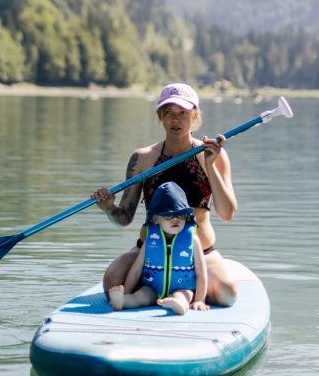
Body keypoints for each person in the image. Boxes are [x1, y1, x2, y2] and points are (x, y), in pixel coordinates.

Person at [92, 82, 238, 306]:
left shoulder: (212, 154)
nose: (175, 119)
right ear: (160, 116)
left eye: (183, 113)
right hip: (150, 253)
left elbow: (227, 213)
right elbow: (124, 218)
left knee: (228, 294)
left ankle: (181, 290)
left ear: (195, 116)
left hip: (200, 254)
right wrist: (110, 208)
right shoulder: (142, 159)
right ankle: (163, 289)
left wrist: (210, 165)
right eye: (168, 112)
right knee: (111, 283)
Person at [108, 181, 209, 315]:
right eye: (168, 216)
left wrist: (200, 300)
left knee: (183, 296)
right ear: (156, 219)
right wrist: (126, 291)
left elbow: (201, 273)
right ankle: (122, 301)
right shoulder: (151, 240)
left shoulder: (192, 240)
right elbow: (136, 270)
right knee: (141, 296)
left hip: (182, 287)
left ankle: (178, 305)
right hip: (152, 287)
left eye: (180, 214)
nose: (175, 220)